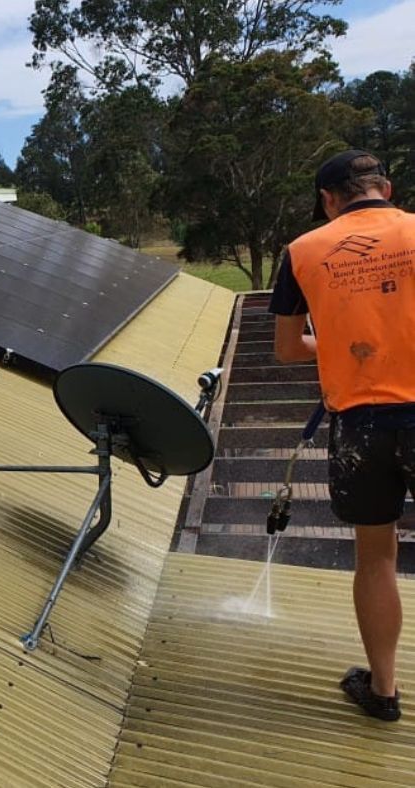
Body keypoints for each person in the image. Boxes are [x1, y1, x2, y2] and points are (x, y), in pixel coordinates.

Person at [270, 149, 413, 722]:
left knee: (376, 556)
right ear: (387, 187)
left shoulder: (303, 252)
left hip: (360, 425)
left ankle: (382, 691)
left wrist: (340, 346)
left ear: (328, 200)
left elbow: (286, 348)